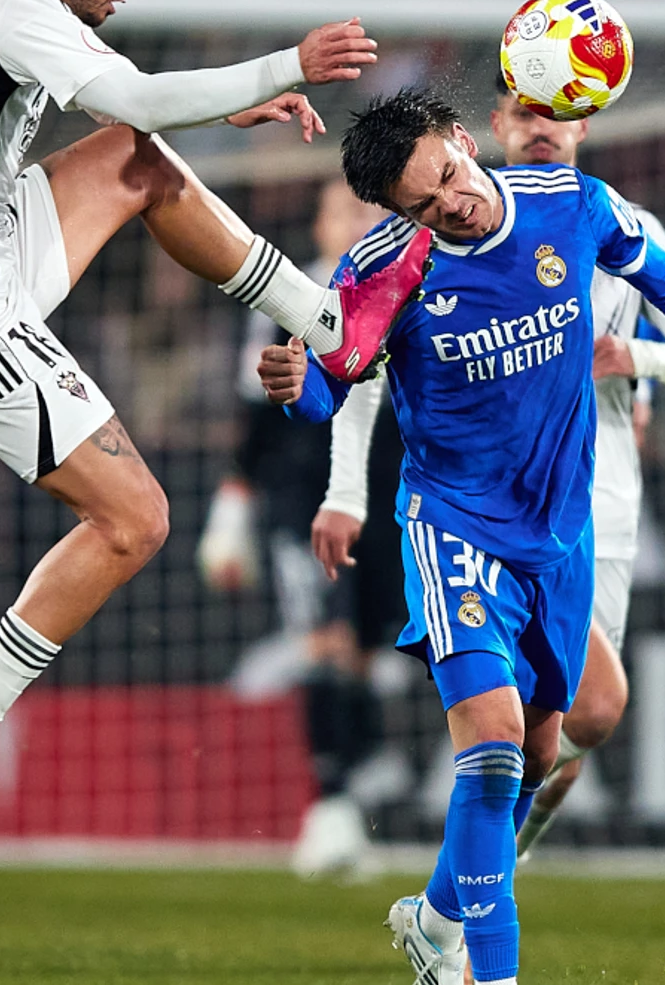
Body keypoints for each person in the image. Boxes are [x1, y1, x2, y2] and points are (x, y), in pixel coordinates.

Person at [0, 0, 432, 865]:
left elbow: (127, 111)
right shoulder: (18, 4)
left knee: (137, 159)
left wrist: (209, 110)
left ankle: (329, 322)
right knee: (136, 518)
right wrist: (283, 65)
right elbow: (133, 86)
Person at [258, 87, 665, 985]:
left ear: (463, 142)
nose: (450, 207)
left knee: (546, 750)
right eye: (421, 207)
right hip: (452, 525)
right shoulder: (386, 264)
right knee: (498, 743)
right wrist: (294, 383)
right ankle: (482, 972)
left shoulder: (572, 204)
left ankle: (433, 918)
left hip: (560, 532)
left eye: (449, 179)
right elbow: (333, 389)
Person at [309, 88, 665, 869]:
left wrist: (637, 359)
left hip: (596, 504)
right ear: (489, 131)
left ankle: (479, 879)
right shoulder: (426, 243)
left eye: (557, 113)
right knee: (546, 718)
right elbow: (358, 365)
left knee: (568, 740)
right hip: (479, 513)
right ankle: (471, 900)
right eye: (523, 113)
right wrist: (347, 490)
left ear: (584, 123)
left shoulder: (608, 219)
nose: (540, 128)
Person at [198, 179, 406, 877]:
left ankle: (348, 806)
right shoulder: (284, 297)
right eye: (339, 210)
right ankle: (330, 808)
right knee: (324, 639)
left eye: (366, 209)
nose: (354, 221)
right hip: (303, 497)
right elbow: (254, 415)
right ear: (317, 226)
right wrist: (232, 509)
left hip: (390, 497)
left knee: (362, 656)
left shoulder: (408, 290)